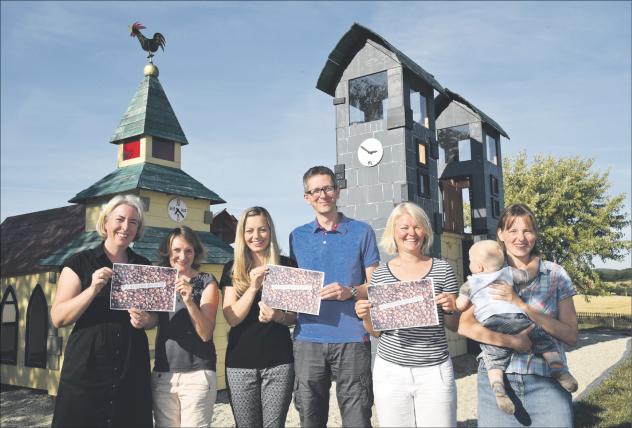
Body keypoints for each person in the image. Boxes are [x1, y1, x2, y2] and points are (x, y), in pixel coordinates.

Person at [458, 203, 578, 427]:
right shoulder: (486, 273)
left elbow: (570, 335)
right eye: (512, 231)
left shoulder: (555, 274)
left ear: (536, 234)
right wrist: (511, 341)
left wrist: (520, 304)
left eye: (527, 230)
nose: (520, 238)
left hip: (546, 380)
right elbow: (464, 326)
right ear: (501, 235)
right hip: (497, 380)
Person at [51, 194, 155, 427]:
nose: (125, 227)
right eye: (120, 219)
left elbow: (154, 318)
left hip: (131, 365)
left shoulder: (144, 266)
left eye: (133, 222)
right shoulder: (78, 263)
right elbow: (58, 318)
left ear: (138, 229)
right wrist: (92, 289)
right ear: (106, 222)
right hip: (87, 367)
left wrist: (147, 320)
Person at [289, 166, 380, 427]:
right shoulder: (297, 236)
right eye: (315, 190)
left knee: (357, 418)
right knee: (310, 418)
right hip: (308, 339)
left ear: (337, 191)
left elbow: (375, 286)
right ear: (307, 197)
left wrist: (350, 291)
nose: (323, 194)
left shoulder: (362, 231)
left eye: (328, 188)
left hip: (352, 338)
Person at [354, 202, 459, 427]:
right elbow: (377, 332)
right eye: (404, 228)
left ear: (426, 232)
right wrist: (365, 316)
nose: (411, 233)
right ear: (393, 232)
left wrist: (451, 307)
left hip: (435, 371)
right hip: (391, 371)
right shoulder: (381, 274)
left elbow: (454, 325)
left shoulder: (443, 270)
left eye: (418, 227)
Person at [220, 206, 297, 428]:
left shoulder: (286, 266)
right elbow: (232, 317)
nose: (256, 236)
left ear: (270, 231)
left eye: (262, 229)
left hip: (279, 363)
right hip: (240, 365)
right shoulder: (232, 269)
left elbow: (294, 317)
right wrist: (253, 287)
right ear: (242, 235)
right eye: (249, 231)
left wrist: (278, 316)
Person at [152, 226, 220, 427]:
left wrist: (190, 301)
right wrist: (140, 318)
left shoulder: (206, 281)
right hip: (163, 375)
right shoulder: (159, 281)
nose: (183, 256)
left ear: (196, 253)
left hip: (197, 375)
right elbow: (152, 321)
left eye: (188, 250)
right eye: (177, 250)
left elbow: (206, 333)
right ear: (167, 252)